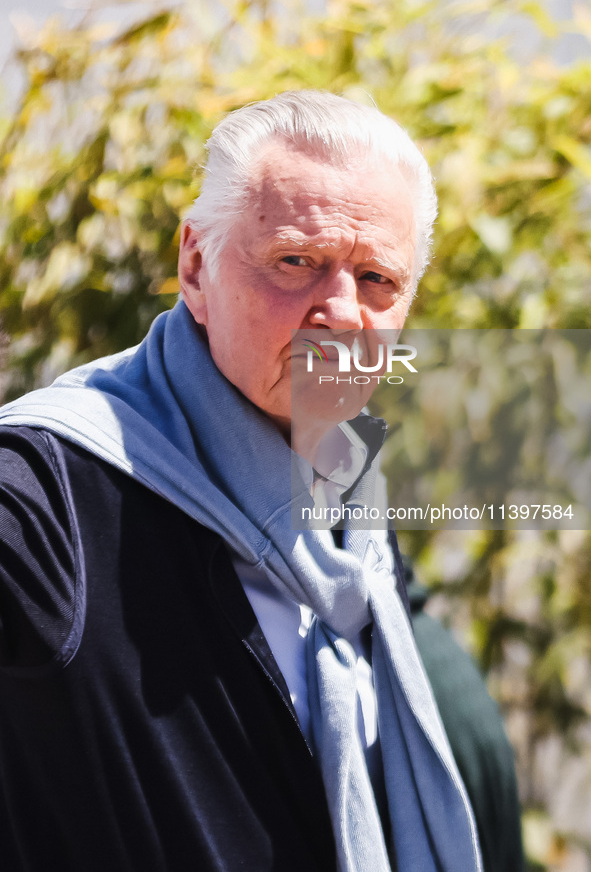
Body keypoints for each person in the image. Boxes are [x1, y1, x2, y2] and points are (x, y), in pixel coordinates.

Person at [0, 90, 505, 872]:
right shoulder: (48, 496)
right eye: (296, 262)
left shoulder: (351, 506)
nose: (339, 313)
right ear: (194, 265)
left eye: (376, 278)